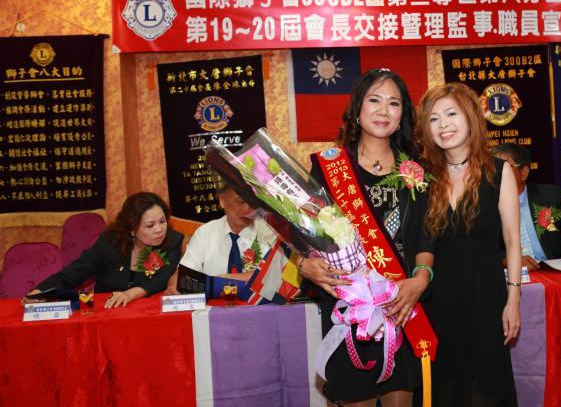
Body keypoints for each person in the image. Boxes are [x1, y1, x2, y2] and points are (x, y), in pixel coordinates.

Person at [298, 68, 433, 407]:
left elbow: (426, 234)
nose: (383, 110)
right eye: (374, 100)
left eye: (394, 103)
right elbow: (305, 233)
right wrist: (303, 264)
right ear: (357, 109)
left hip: (401, 305)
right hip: (350, 305)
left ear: (402, 115)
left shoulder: (416, 169)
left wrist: (420, 279)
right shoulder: (330, 167)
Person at [416, 82, 521, 407]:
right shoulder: (423, 175)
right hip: (438, 296)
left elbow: (512, 241)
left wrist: (513, 300)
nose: (443, 125)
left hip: (485, 293)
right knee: (442, 387)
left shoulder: (499, 171)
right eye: (434, 119)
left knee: (481, 389)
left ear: (471, 117)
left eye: (451, 114)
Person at [26, 192, 183, 308]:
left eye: (162, 221)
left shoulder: (173, 241)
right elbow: (74, 273)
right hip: (107, 313)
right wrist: (40, 291)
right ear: (132, 228)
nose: (159, 230)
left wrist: (129, 294)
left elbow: (161, 279)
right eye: (150, 225)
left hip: (148, 315)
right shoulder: (110, 242)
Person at [492, 143, 561, 270]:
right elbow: (481, 248)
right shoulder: (485, 204)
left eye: (503, 168)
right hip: (511, 275)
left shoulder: (549, 197)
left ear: (523, 172)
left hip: (553, 272)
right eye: (492, 169)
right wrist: (507, 260)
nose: (495, 174)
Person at [165, 185, 280, 293]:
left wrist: (223, 280)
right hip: (213, 307)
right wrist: (175, 287)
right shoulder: (205, 233)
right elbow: (182, 274)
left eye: (253, 203)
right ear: (222, 200)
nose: (248, 209)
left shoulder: (271, 231)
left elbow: (275, 275)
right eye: (240, 201)